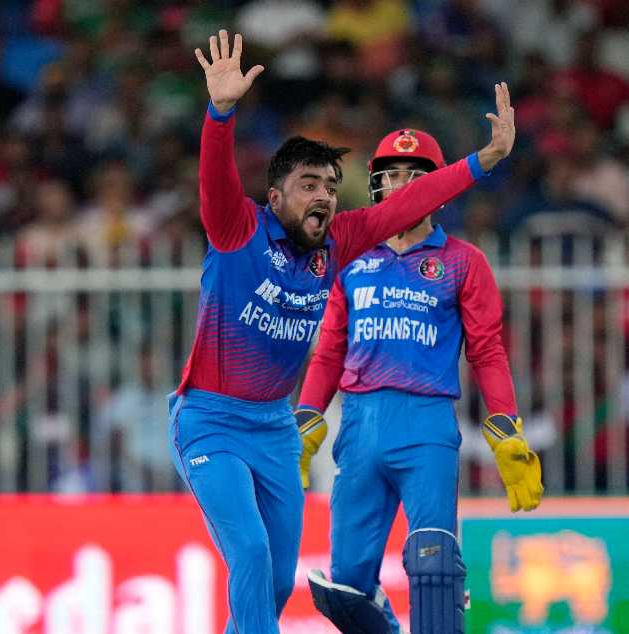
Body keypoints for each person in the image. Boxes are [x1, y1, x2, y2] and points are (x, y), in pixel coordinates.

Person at [168, 27, 517, 634]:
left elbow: (407, 205)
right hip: (212, 421)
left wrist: (483, 160)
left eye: (331, 187)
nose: (324, 197)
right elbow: (213, 179)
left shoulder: (340, 243)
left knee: (277, 583)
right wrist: (220, 114)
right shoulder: (236, 229)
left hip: (275, 430)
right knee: (250, 554)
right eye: (309, 185)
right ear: (275, 196)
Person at [295, 126, 543, 633]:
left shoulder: (463, 261)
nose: (402, 185)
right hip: (359, 431)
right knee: (348, 586)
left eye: (416, 175)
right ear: (376, 183)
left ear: (438, 186)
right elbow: (330, 351)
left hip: (426, 428)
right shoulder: (351, 258)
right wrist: (306, 420)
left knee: (434, 567)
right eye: (392, 175)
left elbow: (487, 351)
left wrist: (505, 427)